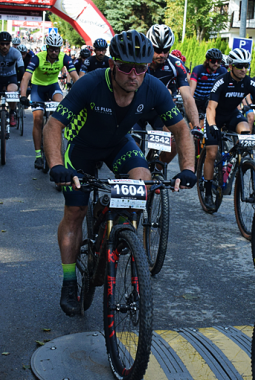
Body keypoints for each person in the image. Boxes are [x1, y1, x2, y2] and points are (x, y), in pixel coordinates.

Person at [43, 30, 197, 316]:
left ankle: (121, 232)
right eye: (126, 67)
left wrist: (188, 169)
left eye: (141, 67)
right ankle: (68, 281)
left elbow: (181, 130)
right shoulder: (90, 84)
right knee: (74, 212)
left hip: (118, 145)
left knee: (143, 178)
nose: (134, 74)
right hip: (83, 150)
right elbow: (53, 126)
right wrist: (55, 166)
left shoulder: (153, 88)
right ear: (113, 65)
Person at [202, 48, 255, 210]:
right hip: (215, 116)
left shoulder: (249, 83)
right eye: (240, 66)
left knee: (245, 132)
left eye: (246, 66)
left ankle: (237, 161)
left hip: (232, 115)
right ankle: (207, 190)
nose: (244, 69)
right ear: (230, 66)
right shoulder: (221, 82)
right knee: (212, 152)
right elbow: (210, 108)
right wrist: (213, 125)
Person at [143, 24, 200, 168]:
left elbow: (187, 97)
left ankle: (155, 171)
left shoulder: (176, 64)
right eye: (157, 50)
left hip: (159, 110)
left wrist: (196, 126)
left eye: (166, 50)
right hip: (137, 108)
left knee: (175, 141)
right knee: (134, 147)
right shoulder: (139, 62)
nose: (162, 54)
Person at [19, 32, 78, 170]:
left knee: (60, 108)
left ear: (60, 49)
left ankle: (54, 139)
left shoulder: (64, 58)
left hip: (53, 87)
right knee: (38, 118)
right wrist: (23, 96)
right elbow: (26, 77)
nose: (53, 52)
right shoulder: (37, 58)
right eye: (51, 49)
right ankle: (38, 155)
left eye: (56, 49)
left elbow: (76, 77)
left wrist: (82, 94)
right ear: (47, 47)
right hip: (37, 88)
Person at [189, 48, 227, 122]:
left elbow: (226, 88)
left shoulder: (222, 71)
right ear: (207, 60)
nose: (216, 64)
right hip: (197, 99)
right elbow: (192, 89)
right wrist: (191, 103)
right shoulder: (198, 69)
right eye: (213, 61)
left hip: (210, 100)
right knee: (194, 122)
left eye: (218, 61)